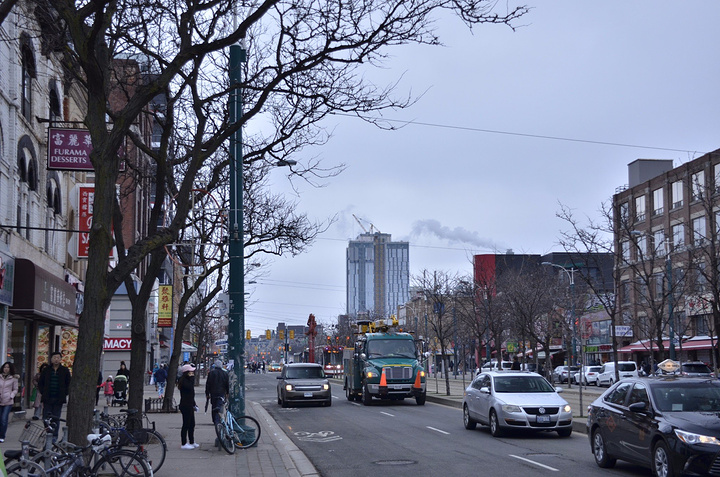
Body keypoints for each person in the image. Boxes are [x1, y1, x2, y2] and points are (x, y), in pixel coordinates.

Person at [38, 351, 71, 439]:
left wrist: (65, 392)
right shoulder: (46, 370)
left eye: (58, 358)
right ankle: (48, 433)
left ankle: (54, 436)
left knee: (56, 417)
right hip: (47, 398)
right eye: (54, 358)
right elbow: (40, 383)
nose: (56, 359)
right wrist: (43, 392)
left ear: (60, 359)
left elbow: (69, 383)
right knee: (46, 417)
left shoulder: (64, 370)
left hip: (58, 398)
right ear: (51, 359)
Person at [177, 364, 198, 449]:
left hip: (189, 404)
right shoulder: (184, 381)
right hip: (185, 405)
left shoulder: (188, 380)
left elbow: (191, 394)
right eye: (191, 372)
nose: (192, 373)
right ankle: (184, 443)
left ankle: (192, 441)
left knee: (192, 424)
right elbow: (189, 388)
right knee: (186, 424)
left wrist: (194, 404)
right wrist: (192, 378)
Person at [205, 359, 229, 425]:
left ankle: (215, 419)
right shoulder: (225, 374)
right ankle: (218, 419)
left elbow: (208, 384)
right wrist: (227, 392)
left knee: (214, 405)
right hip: (221, 392)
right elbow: (227, 384)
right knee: (220, 405)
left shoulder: (211, 373)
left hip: (213, 392)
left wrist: (207, 393)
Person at [0, 362, 18, 443]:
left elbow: (15, 389)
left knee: (4, 419)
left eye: (8, 367)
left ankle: (2, 436)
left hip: (8, 401)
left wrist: (11, 395)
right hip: (0, 400)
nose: (6, 369)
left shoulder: (13, 378)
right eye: (5, 367)